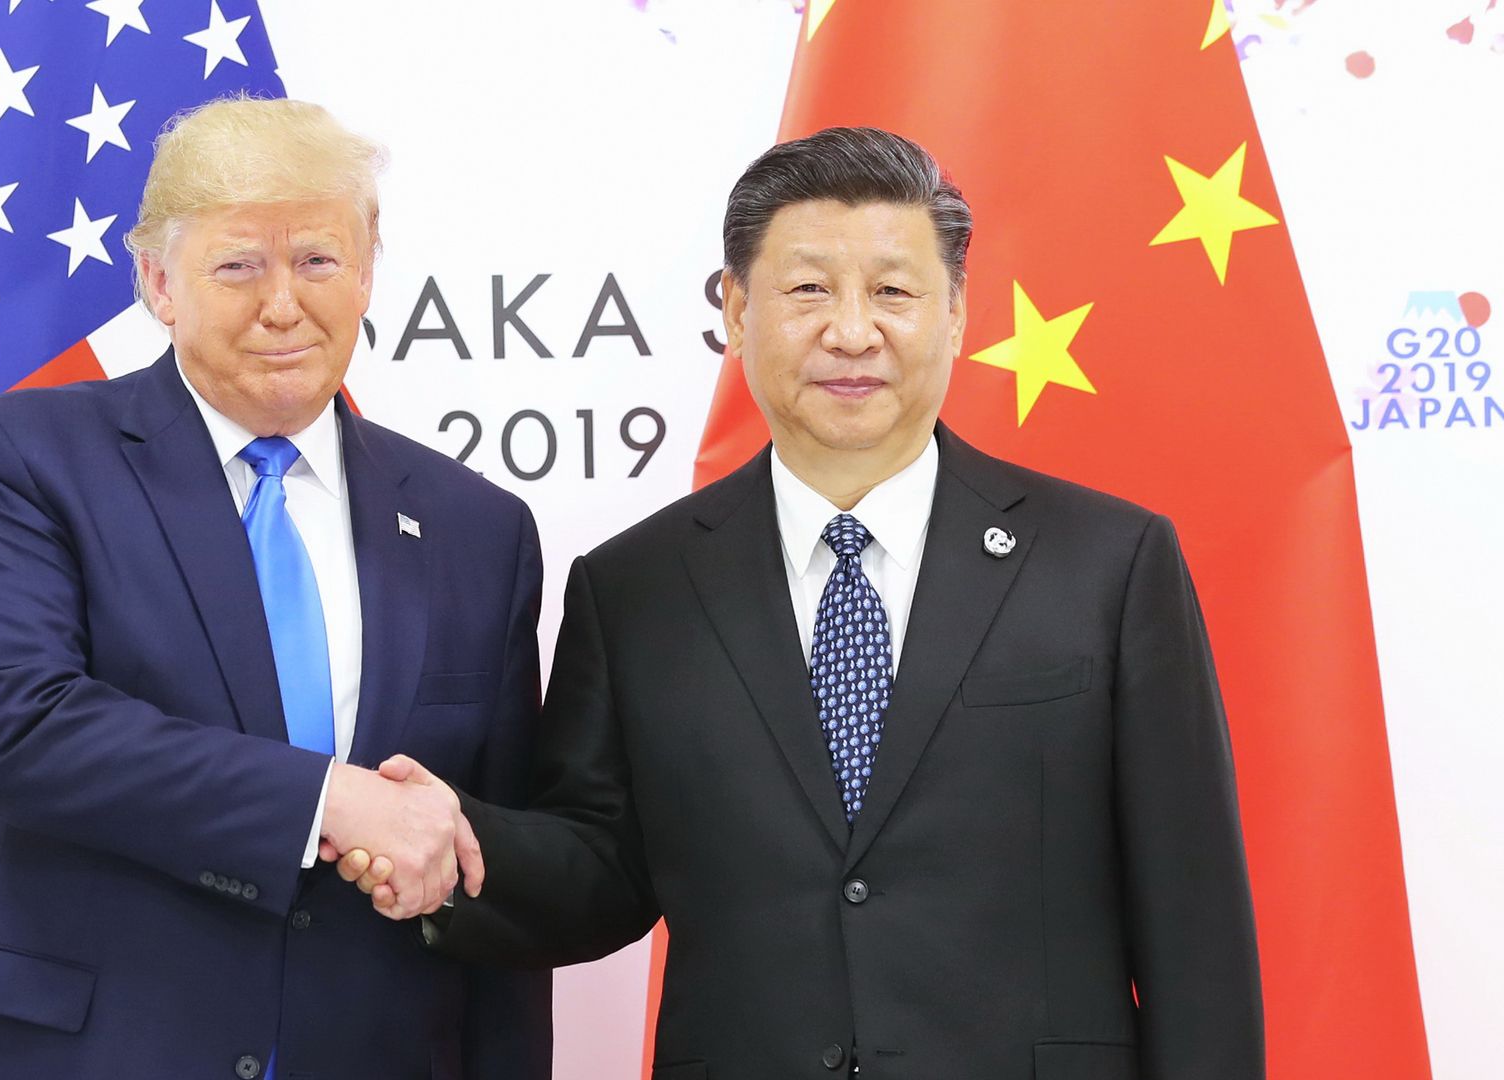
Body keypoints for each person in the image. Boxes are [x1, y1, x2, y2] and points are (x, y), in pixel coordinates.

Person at [344, 127, 1264, 1078]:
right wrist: (452, 847)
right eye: (808, 289)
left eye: (894, 291)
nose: (852, 331)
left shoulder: (1108, 562)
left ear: (955, 315)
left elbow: (1194, 926)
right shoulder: (636, 586)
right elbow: (603, 872)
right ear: (737, 311)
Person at [0, 96, 550, 1080]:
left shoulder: (477, 528)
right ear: (159, 280)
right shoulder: (17, 459)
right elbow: (14, 730)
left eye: (319, 261)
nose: (284, 304)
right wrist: (329, 801)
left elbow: (485, 868)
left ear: (368, 265)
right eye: (239, 264)